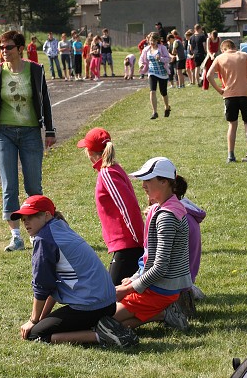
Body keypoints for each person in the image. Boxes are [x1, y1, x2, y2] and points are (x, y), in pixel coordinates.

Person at [15, 195, 139, 348]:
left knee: (36, 334)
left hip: (92, 307)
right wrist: (42, 317)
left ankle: (102, 336)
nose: (26, 222)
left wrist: (33, 321)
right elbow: (51, 284)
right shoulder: (58, 226)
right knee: (41, 326)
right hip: (108, 303)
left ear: (46, 215)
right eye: (23, 218)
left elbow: (42, 285)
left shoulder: (44, 239)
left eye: (31, 216)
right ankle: (101, 327)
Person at [0, 30, 56, 252]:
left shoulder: (36, 70)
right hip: (4, 134)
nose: (4, 51)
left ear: (20, 49)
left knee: (33, 185)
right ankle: (16, 236)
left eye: (8, 47)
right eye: (1, 47)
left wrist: (49, 130)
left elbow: (45, 101)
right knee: (9, 185)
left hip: (30, 133)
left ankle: (37, 233)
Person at [111, 157, 192, 332]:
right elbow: (150, 257)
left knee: (105, 322)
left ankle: (163, 312)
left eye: (148, 180)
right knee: (108, 322)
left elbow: (160, 268)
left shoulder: (167, 217)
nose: (143, 185)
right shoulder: (160, 208)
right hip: (153, 285)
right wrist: (134, 278)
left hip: (159, 289)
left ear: (164, 182)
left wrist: (128, 289)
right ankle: (162, 313)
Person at [77, 128, 144, 285]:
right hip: (127, 244)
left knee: (111, 296)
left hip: (128, 245)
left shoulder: (107, 173)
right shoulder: (112, 169)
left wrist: (140, 241)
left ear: (90, 152)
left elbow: (128, 207)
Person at [206, 39, 247, 163]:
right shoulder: (244, 55)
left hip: (229, 95)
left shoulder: (220, 58)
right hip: (246, 93)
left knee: (232, 124)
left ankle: (231, 155)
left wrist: (219, 90)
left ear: (223, 49)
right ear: (234, 47)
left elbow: (209, 75)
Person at [139, 31, 171, 119]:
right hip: (152, 72)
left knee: (163, 92)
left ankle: (167, 107)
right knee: (152, 91)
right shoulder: (146, 49)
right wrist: (141, 64)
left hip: (162, 73)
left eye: (153, 40)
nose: (152, 42)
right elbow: (141, 59)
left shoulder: (162, 48)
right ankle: (154, 112)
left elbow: (168, 59)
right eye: (150, 40)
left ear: (157, 40)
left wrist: (160, 58)